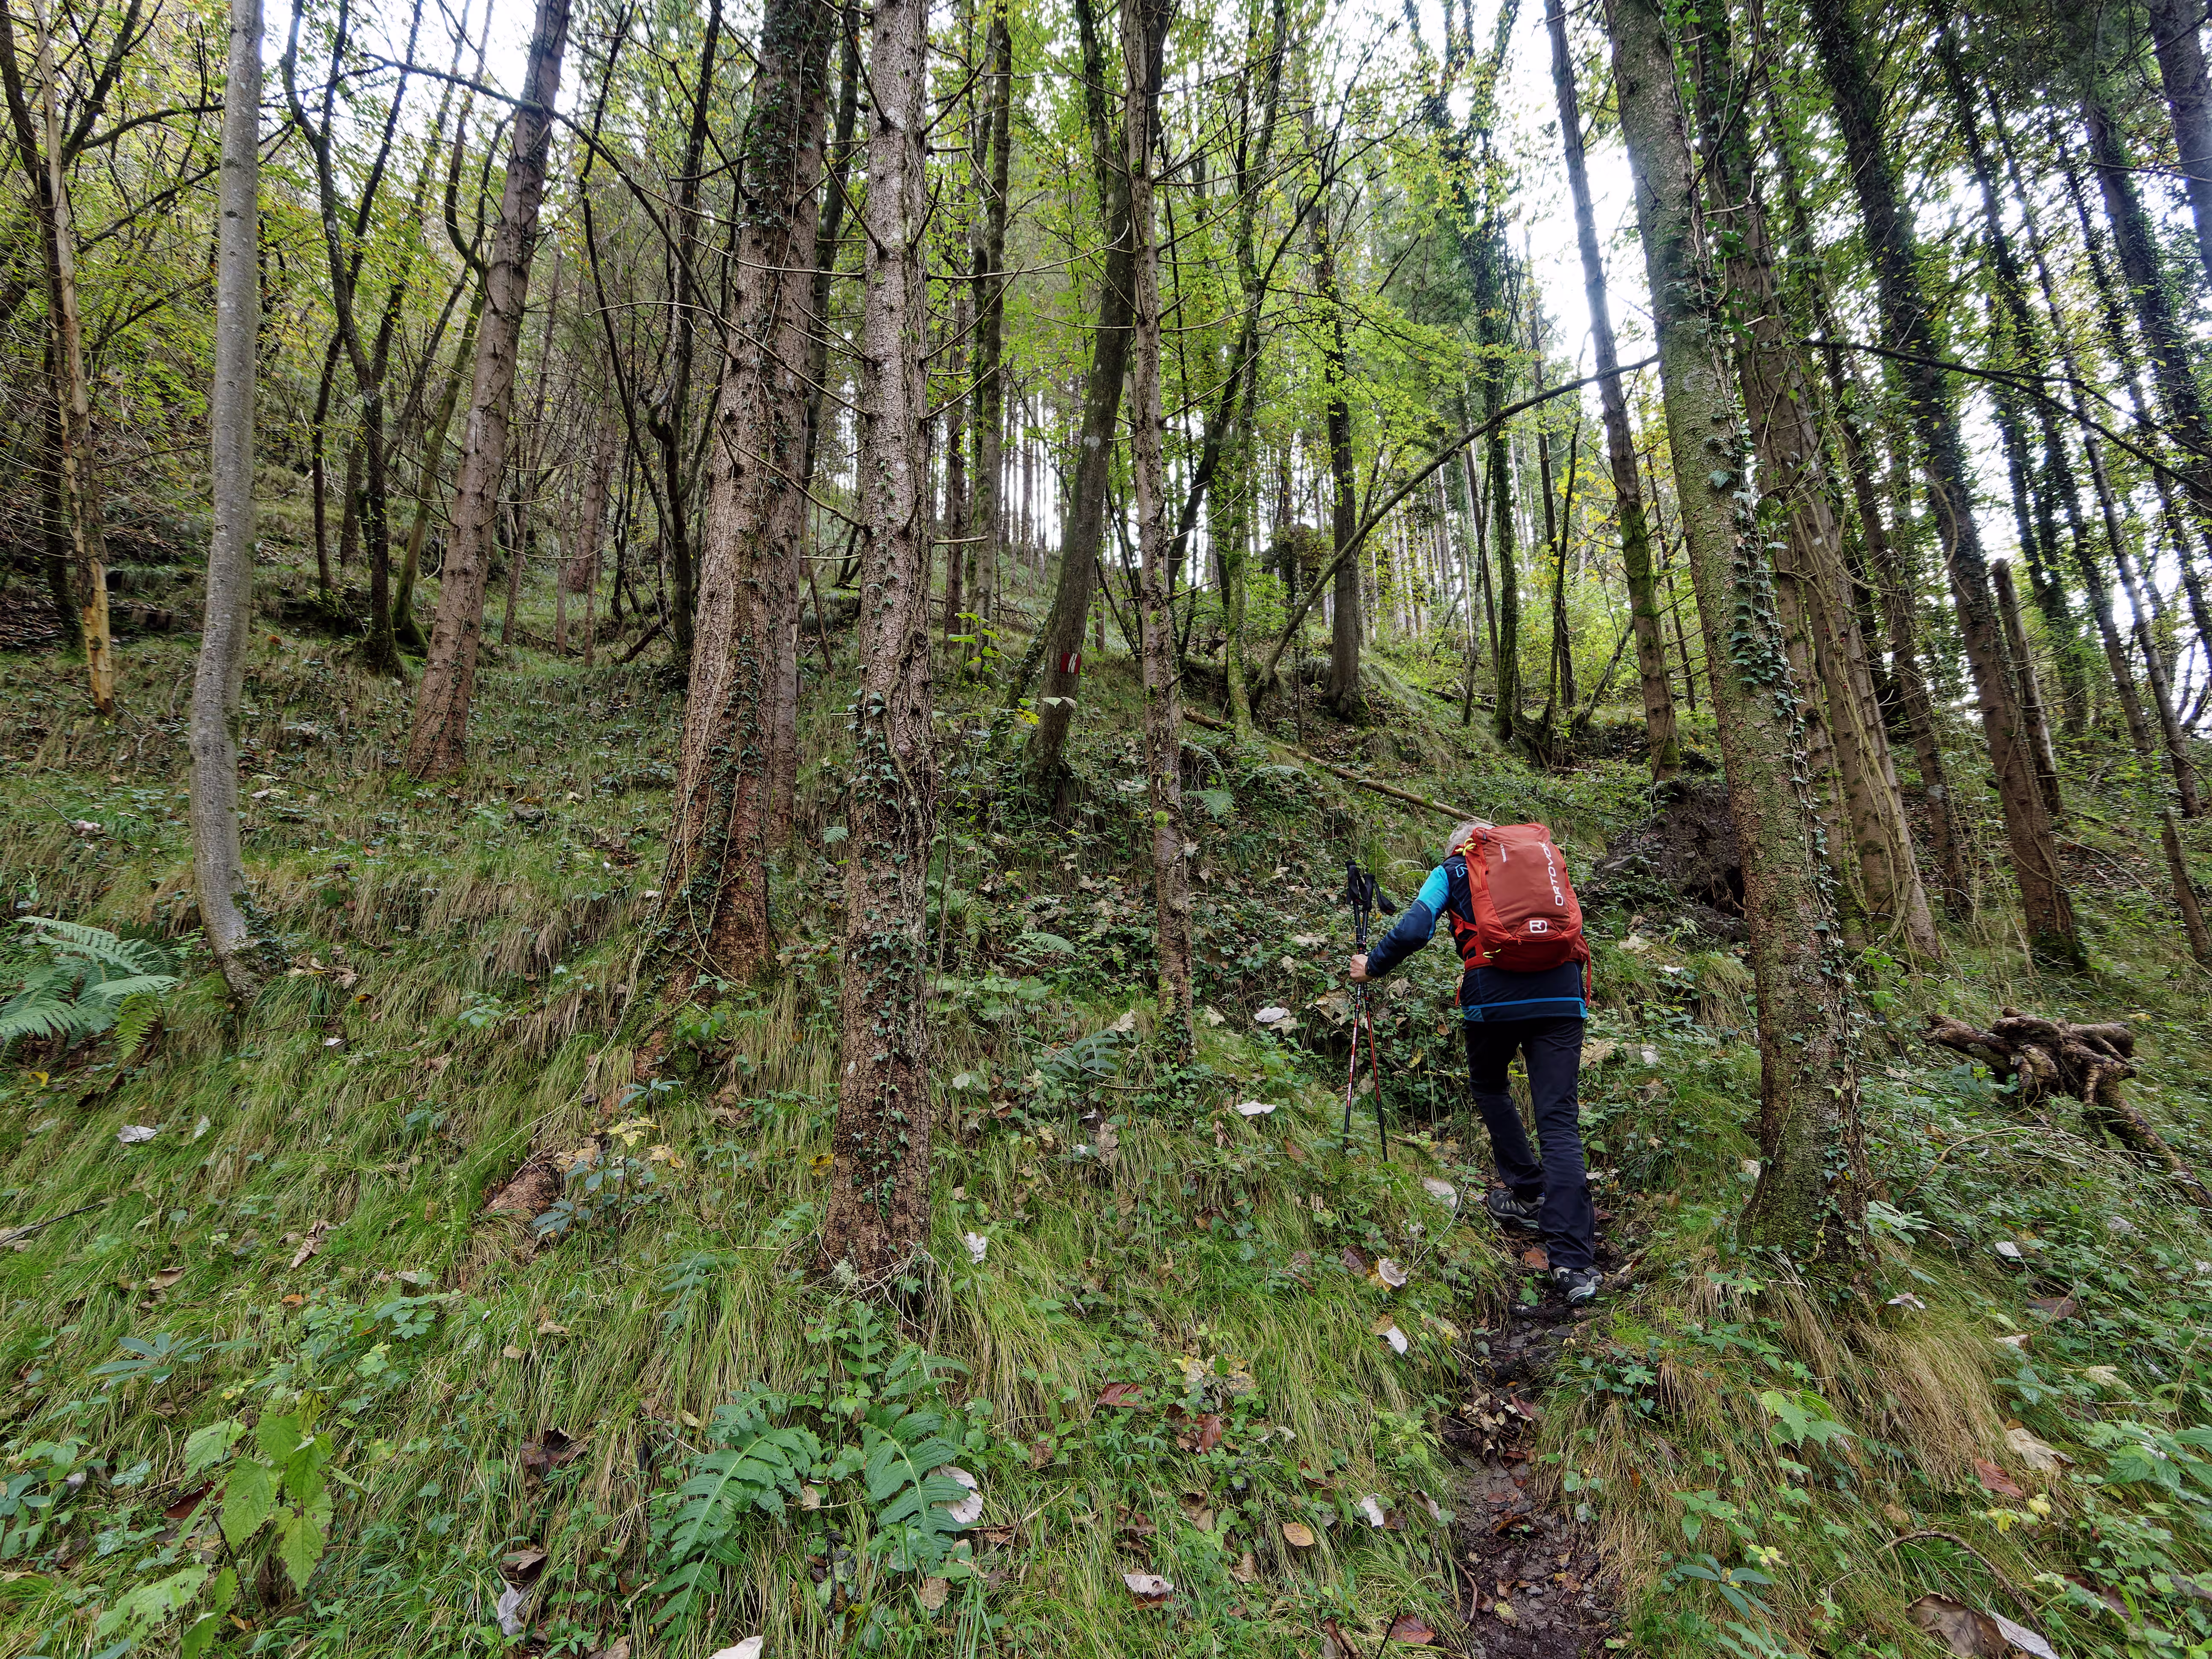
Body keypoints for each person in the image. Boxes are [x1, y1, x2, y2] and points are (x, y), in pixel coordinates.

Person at [1349, 821, 1601, 1304]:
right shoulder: (1542, 861)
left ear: (1462, 846)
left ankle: (1527, 1192)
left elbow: (1416, 927)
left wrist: (1373, 965)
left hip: (1495, 996)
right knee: (1560, 1122)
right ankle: (1573, 1264)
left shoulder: (1454, 867)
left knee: (1489, 1084)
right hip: (1563, 996)